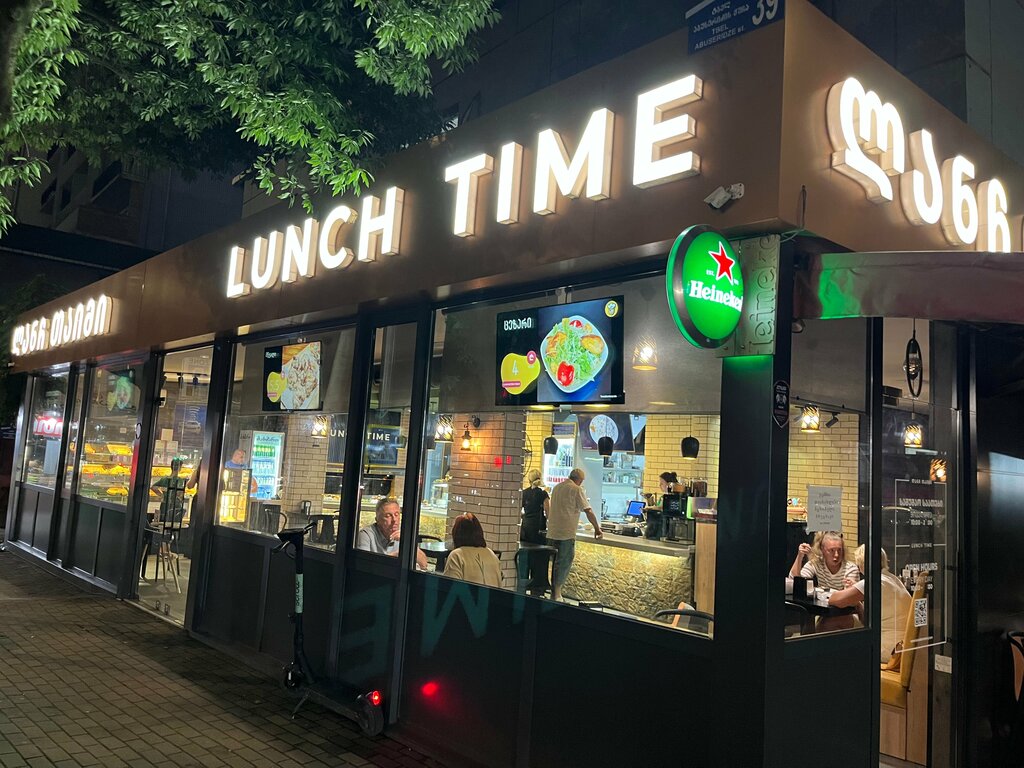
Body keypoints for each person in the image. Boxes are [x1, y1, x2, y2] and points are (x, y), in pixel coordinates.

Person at [829, 545, 912, 662]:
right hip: (902, 644)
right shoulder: (892, 579)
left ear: (863, 564)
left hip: (888, 648)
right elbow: (868, 620)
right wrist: (857, 596)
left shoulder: (875, 581)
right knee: (842, 620)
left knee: (832, 625)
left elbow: (835, 600)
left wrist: (854, 591)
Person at [546, 468, 602, 601]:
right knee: (563, 564)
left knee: (553, 564)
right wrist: (597, 528)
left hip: (552, 532)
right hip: (566, 534)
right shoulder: (577, 489)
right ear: (580, 480)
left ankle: (553, 594)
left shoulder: (557, 488)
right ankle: (557, 595)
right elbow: (588, 510)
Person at [356, 497, 428, 570]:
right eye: (388, 516)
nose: (394, 520)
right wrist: (394, 556)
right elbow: (362, 566)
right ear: (377, 520)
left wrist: (408, 543)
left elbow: (424, 565)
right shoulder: (366, 535)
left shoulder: (402, 535)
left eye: (396, 515)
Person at [443, 513, 502, 588]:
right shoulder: (492, 555)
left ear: (456, 533)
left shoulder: (457, 555)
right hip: (492, 599)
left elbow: (449, 588)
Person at [789, 530, 858, 590]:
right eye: (832, 550)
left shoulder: (851, 568)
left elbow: (848, 597)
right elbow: (794, 581)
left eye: (839, 550)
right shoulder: (816, 563)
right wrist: (800, 556)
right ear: (822, 550)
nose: (836, 555)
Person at [520, 469, 550, 594]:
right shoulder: (543, 494)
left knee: (525, 558)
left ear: (529, 479)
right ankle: (537, 590)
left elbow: (518, 510)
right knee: (539, 560)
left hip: (526, 529)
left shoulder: (524, 493)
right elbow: (548, 513)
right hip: (538, 530)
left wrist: (525, 517)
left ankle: (522, 586)